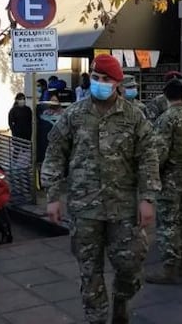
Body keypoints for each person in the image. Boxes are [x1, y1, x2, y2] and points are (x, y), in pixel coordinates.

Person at [42, 54, 159, 324]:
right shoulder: (74, 114)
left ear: (117, 83)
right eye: (95, 78)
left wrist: (148, 198)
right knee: (89, 270)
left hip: (123, 207)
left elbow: (148, 157)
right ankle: (96, 318)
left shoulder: (133, 116)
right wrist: (53, 196)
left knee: (130, 264)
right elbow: (56, 153)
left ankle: (121, 300)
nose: (99, 83)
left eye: (106, 79)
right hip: (85, 207)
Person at [145, 80, 182, 285]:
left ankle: (169, 268)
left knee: (168, 222)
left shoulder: (166, 119)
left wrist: (151, 177)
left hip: (171, 178)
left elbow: (159, 152)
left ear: (165, 96)